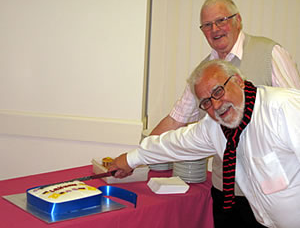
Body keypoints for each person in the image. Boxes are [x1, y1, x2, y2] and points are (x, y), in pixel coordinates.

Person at [148, 0, 300, 227]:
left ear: (238, 20)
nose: (215, 29)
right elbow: (176, 119)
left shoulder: (270, 53)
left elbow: (295, 110)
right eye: (207, 25)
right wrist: (140, 153)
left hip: (270, 192)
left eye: (221, 20)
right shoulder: (203, 73)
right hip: (225, 190)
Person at [110, 59, 300, 228]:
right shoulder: (215, 127)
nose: (216, 106)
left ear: (239, 81)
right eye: (206, 102)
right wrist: (130, 159)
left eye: (218, 91)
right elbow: (175, 143)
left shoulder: (283, 108)